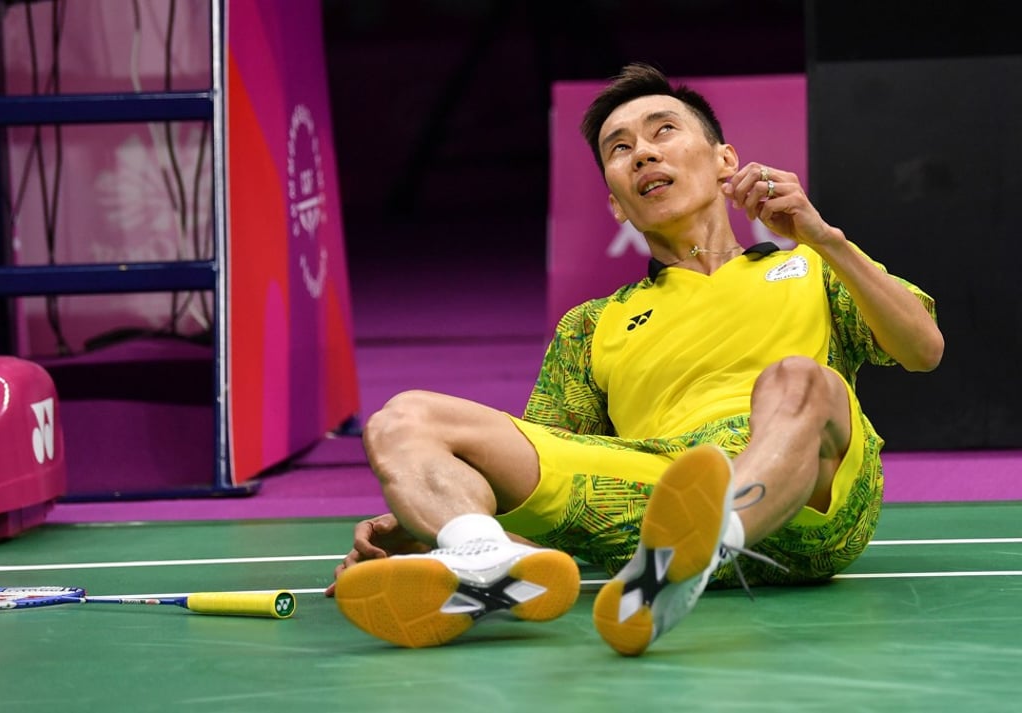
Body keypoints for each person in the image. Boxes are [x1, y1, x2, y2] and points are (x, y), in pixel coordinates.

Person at [325, 62, 943, 656]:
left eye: (664, 131)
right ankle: (487, 568)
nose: (644, 152)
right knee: (405, 417)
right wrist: (436, 516)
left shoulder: (814, 265)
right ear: (617, 204)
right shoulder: (593, 325)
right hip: (657, 505)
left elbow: (923, 349)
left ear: (725, 161)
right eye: (620, 149)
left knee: (799, 376)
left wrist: (824, 237)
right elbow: (541, 483)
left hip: (807, 493)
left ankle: (707, 540)